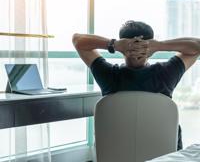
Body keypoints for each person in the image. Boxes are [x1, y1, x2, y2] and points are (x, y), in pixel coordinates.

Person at [72, 20, 200, 150]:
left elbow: (78, 41)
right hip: (165, 156)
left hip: (116, 154)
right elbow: (197, 46)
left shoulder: (108, 75)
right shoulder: (166, 74)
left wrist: (114, 45)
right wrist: (159, 46)